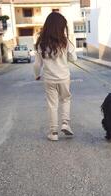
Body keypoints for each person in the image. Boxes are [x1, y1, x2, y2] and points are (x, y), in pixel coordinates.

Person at [34, 12, 77, 141]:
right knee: (65, 99)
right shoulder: (65, 42)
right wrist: (68, 55)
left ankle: (53, 133)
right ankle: (65, 123)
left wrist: (37, 75)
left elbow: (37, 64)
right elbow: (74, 59)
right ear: (60, 27)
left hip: (49, 79)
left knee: (52, 104)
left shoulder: (41, 42)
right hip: (64, 77)